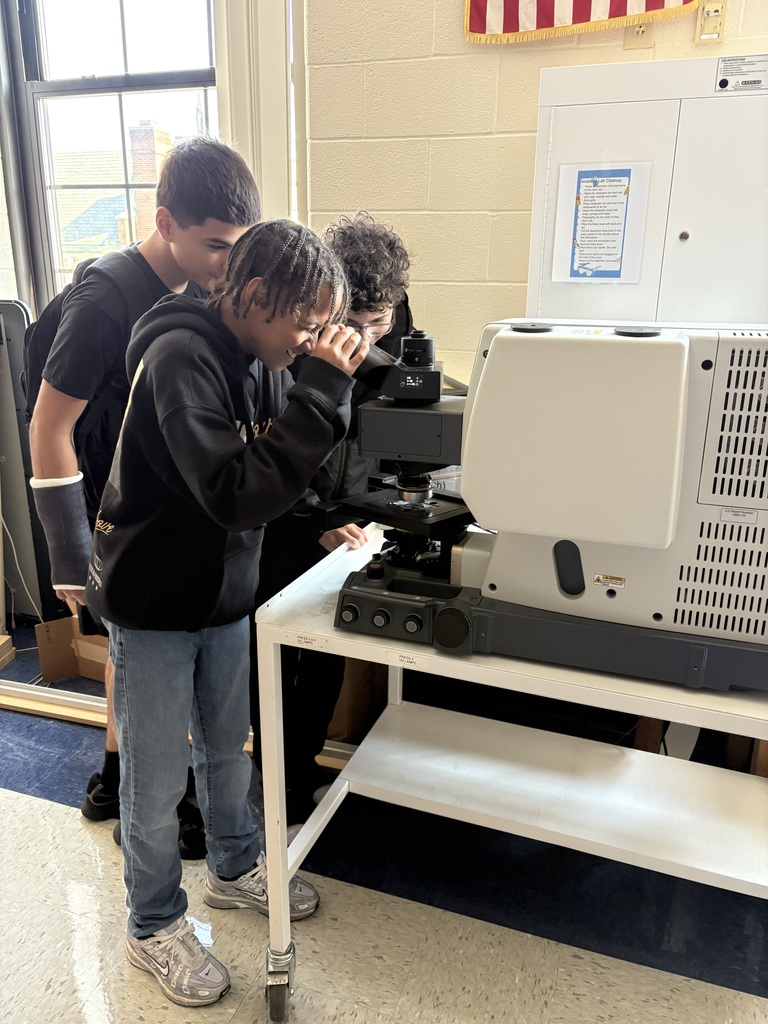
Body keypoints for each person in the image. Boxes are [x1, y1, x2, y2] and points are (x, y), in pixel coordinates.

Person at [83, 219, 368, 1007]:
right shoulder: (179, 356)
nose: (310, 341)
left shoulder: (261, 357)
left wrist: (317, 518)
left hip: (223, 593)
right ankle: (152, 924)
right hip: (154, 601)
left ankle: (235, 867)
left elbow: (273, 465)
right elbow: (233, 492)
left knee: (225, 750)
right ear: (252, 294)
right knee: (154, 780)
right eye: (304, 323)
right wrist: (322, 390)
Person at [29, 137, 261, 855]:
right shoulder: (107, 300)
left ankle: (112, 776)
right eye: (215, 246)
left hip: (157, 488)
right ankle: (150, 791)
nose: (228, 265)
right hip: (104, 496)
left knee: (133, 658)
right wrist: (72, 556)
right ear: (165, 223)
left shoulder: (199, 288)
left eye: (239, 247)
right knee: (140, 653)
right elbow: (48, 426)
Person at [249, 211, 412, 826]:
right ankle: (275, 778)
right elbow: (269, 454)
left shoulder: (393, 324)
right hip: (283, 523)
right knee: (272, 659)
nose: (366, 340)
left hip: (349, 522)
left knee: (328, 653)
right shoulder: (292, 345)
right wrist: (310, 521)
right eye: (354, 324)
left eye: (380, 322)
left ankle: (304, 765)